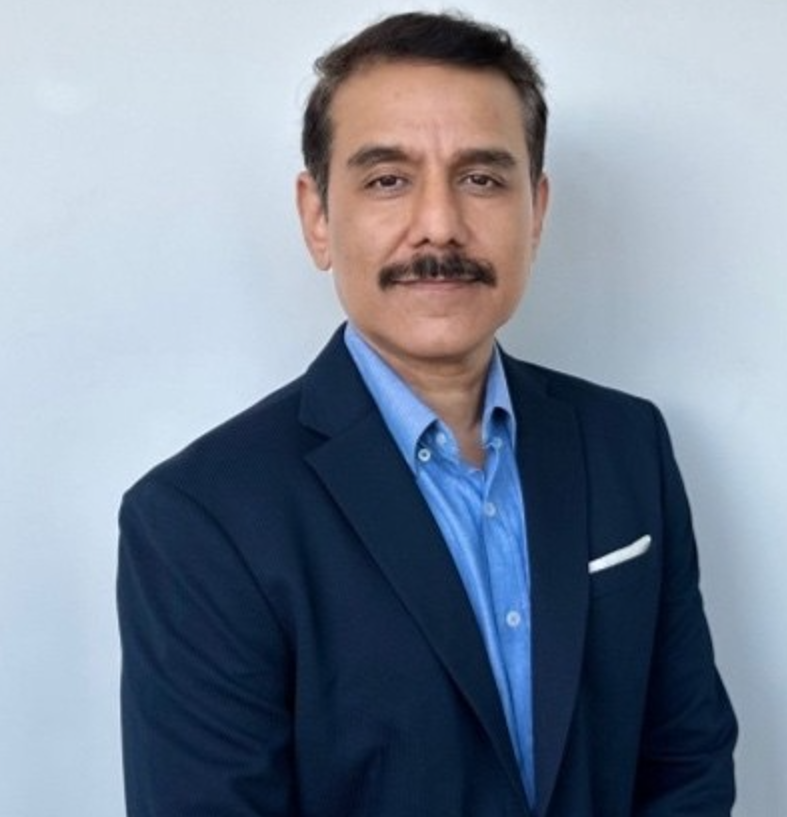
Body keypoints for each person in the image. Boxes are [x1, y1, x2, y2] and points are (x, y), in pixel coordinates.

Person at [117, 11, 737, 817]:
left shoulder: (627, 444)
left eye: (481, 178)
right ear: (316, 217)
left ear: (535, 210)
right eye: (387, 179)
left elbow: (686, 759)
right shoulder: (199, 517)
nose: (440, 224)